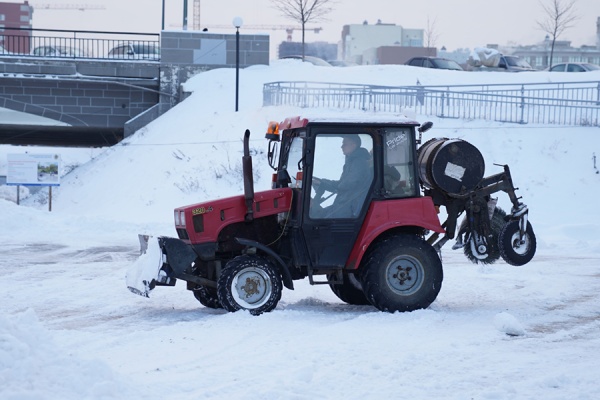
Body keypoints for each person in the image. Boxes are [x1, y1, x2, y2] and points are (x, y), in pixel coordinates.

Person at [312, 134, 372, 218]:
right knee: (318, 215)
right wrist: (322, 182)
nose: (341, 146)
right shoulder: (352, 161)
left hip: (350, 205)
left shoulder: (359, 162)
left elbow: (348, 184)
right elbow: (342, 184)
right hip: (344, 202)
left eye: (345, 144)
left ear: (353, 145)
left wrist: (324, 184)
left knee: (319, 220)